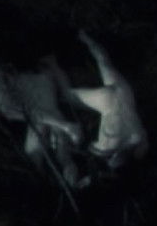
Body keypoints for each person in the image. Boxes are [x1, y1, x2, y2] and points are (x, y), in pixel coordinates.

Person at [59, 32, 148, 169]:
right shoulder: (110, 145)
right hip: (107, 102)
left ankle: (84, 36)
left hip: (123, 93)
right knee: (67, 96)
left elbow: (141, 150)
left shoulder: (138, 135)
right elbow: (93, 148)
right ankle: (52, 65)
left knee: (103, 61)